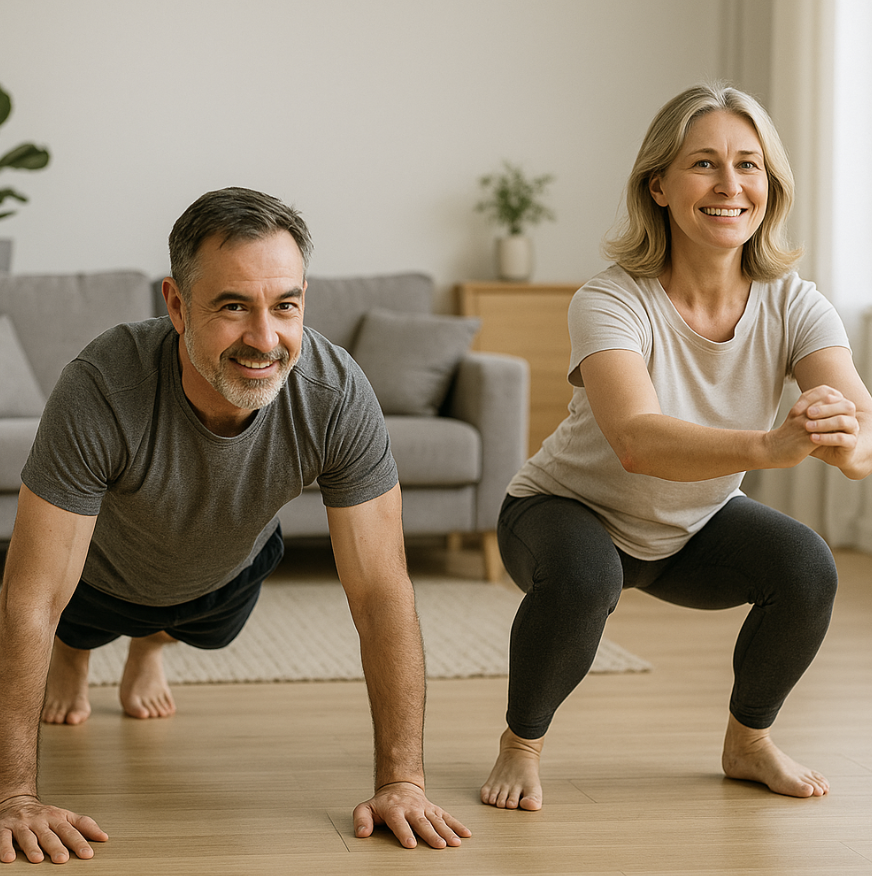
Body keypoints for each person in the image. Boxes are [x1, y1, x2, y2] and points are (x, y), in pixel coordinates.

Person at [0, 187, 471, 864]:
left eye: (285, 306)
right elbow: (31, 598)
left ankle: (149, 647)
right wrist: (13, 796)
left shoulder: (335, 394)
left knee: (209, 626)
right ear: (176, 305)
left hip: (226, 567)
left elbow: (381, 594)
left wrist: (403, 782)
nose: (264, 338)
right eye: (231, 307)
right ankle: (80, 654)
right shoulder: (102, 385)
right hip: (99, 575)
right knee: (70, 619)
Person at [480, 83, 872, 812]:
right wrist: (770, 444)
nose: (730, 185)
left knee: (808, 568)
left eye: (749, 165)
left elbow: (861, 424)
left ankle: (748, 741)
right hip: (564, 511)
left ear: (770, 186)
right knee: (587, 577)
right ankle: (521, 742)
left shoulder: (794, 303)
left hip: (689, 528)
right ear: (658, 185)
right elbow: (635, 439)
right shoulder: (611, 299)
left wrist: (846, 438)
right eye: (705, 165)